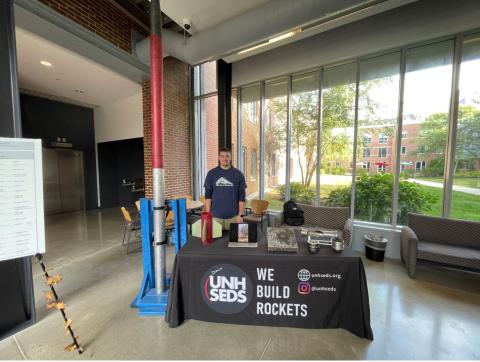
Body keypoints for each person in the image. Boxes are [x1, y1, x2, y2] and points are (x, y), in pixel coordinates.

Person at [204, 147, 246, 230]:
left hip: (234, 218)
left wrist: (241, 215)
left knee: (234, 243)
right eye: (222, 156)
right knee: (215, 243)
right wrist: (208, 215)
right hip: (215, 218)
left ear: (230, 158)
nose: (225, 158)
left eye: (227, 156)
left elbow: (242, 197)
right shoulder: (211, 174)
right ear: (219, 158)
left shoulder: (238, 174)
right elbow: (208, 195)